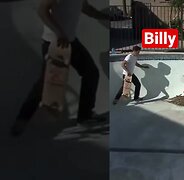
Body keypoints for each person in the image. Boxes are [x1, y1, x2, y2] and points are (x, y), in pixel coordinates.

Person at [10, 0, 116, 137]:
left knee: (91, 73)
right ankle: (21, 120)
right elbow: (42, 11)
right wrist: (59, 33)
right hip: (54, 42)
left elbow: (86, 8)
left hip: (70, 41)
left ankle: (85, 117)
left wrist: (106, 17)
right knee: (45, 83)